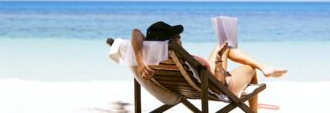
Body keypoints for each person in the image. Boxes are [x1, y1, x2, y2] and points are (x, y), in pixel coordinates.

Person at [108, 21, 287, 112]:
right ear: (174, 41)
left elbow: (135, 32)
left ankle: (263, 67)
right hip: (217, 87)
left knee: (223, 46)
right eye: (177, 36)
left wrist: (140, 61)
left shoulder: (149, 56)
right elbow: (218, 85)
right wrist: (218, 64)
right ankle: (262, 73)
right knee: (250, 69)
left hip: (187, 84)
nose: (180, 38)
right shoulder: (188, 59)